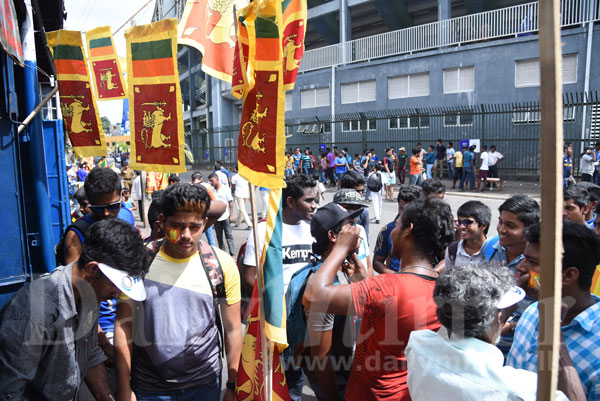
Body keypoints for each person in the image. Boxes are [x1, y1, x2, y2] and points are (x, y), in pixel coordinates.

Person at [303, 197, 455, 401]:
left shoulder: (386, 287)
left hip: (372, 394)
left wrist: (340, 248)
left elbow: (314, 296)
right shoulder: (445, 288)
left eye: (397, 225)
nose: (392, 231)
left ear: (408, 230)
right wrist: (365, 282)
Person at [114, 183, 242, 401]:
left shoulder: (220, 264)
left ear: (205, 224)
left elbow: (232, 329)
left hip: (205, 384)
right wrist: (124, 388)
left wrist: (232, 384)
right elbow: (124, 326)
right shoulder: (139, 262)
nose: (185, 235)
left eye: (194, 227)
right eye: (177, 226)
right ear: (162, 222)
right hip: (149, 387)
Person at [0, 219, 148, 401]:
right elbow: (9, 392)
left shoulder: (90, 294)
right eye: (115, 286)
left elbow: (90, 354)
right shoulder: (36, 311)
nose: (117, 295)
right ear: (92, 269)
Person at [406, 263, 580, 401]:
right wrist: (553, 331)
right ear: (496, 319)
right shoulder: (519, 389)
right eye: (499, 313)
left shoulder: (417, 345)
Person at [242, 174, 317, 400]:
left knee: (296, 376)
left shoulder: (315, 230)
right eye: (309, 200)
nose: (315, 205)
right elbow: (249, 278)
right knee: (272, 376)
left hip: (304, 319)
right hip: (274, 319)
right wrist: (274, 303)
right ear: (291, 201)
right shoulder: (264, 230)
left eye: (316, 200)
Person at [508, 221, 600, 400]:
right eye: (524, 258)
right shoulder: (533, 311)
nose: (521, 267)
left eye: (533, 262)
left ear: (568, 275)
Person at [297, 203, 367, 401]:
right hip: (336, 379)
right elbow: (320, 357)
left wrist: (362, 281)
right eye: (350, 226)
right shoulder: (321, 285)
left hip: (348, 370)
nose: (357, 231)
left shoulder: (344, 270)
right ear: (333, 236)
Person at [482, 194, 540, 356]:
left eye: (511, 225)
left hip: (522, 347)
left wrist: (508, 326)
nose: (502, 229)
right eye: (500, 222)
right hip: (487, 344)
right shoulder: (490, 247)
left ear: (529, 229)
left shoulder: (539, 262)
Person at [373, 184, 423, 274]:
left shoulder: (431, 228)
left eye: (410, 209)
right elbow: (377, 262)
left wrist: (430, 276)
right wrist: (396, 276)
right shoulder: (388, 230)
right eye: (401, 208)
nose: (405, 213)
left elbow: (445, 259)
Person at [333, 189, 373, 275]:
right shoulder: (332, 235)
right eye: (348, 208)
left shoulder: (360, 230)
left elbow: (368, 266)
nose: (353, 213)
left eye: (356, 209)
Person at [444, 201, 491, 272]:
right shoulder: (452, 250)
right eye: (460, 222)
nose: (462, 226)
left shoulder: (494, 252)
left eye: (468, 222)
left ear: (483, 225)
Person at [209, 172, 235, 255]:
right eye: (210, 181)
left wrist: (231, 215)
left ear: (217, 180)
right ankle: (222, 254)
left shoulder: (225, 189)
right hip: (216, 217)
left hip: (225, 216)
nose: (211, 183)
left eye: (212, 181)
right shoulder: (211, 190)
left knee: (229, 236)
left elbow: (230, 202)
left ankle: (232, 254)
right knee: (219, 236)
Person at [340, 170, 370, 238]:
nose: (360, 194)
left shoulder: (363, 212)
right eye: (357, 191)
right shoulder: (333, 210)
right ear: (344, 189)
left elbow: (364, 238)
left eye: (362, 191)